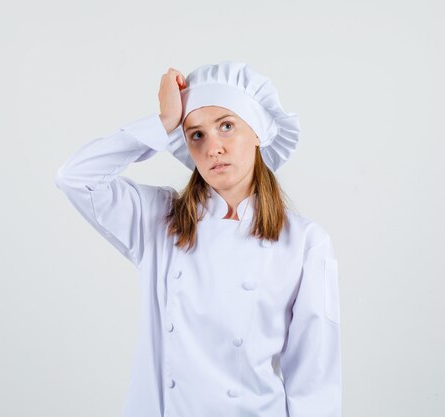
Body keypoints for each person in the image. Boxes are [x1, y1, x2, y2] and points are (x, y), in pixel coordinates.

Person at [54, 60, 342, 417]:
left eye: (226, 126)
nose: (213, 148)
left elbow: (313, 379)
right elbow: (75, 177)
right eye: (196, 134)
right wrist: (162, 123)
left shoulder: (304, 242)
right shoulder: (158, 220)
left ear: (258, 133)